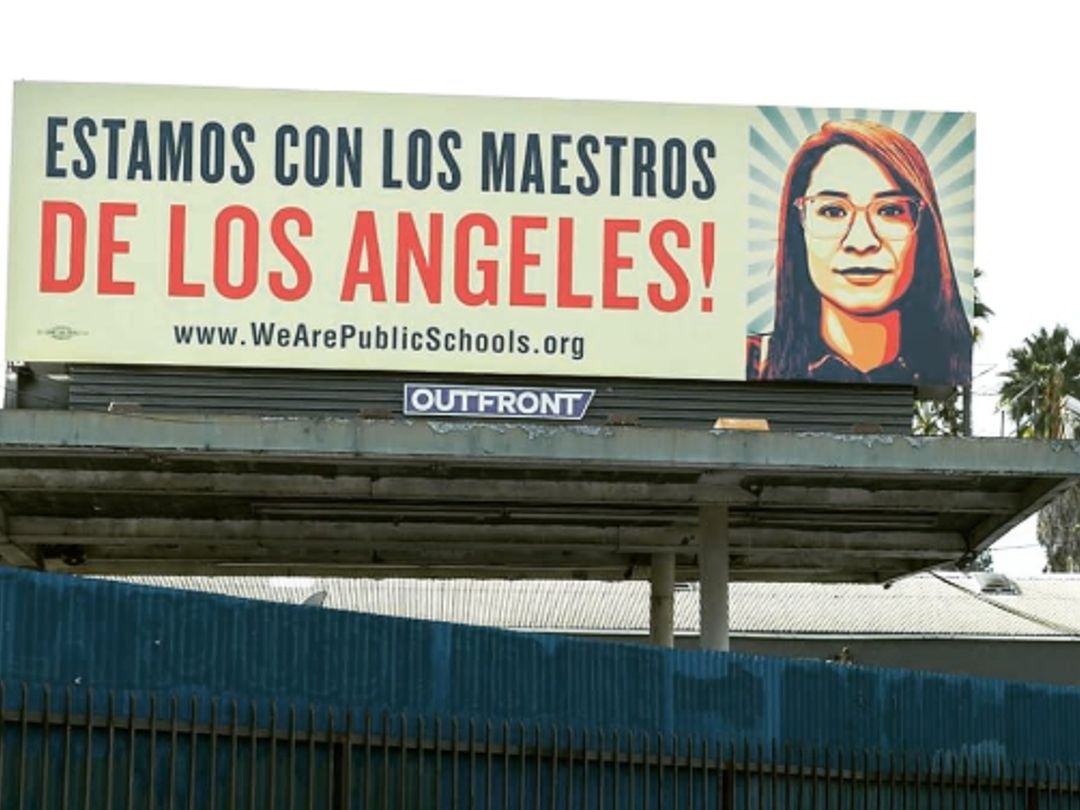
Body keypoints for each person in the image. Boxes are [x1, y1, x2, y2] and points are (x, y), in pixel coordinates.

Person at [747, 120, 971, 385]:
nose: (862, 242)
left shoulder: (958, 368)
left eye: (890, 210)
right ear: (799, 229)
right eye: (833, 211)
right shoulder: (748, 362)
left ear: (923, 230)